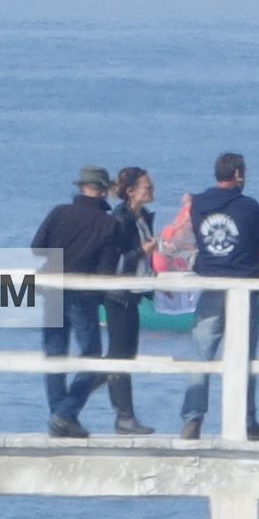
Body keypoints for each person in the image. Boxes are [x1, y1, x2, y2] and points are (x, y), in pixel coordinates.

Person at [180, 152, 259, 441]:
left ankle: (192, 419)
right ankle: (246, 421)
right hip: (244, 289)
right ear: (237, 174)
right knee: (245, 358)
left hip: (210, 284)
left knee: (202, 357)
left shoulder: (197, 205)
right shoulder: (249, 206)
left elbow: (197, 237)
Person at [32, 165, 122, 438]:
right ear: (104, 190)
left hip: (51, 289)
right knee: (92, 355)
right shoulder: (109, 224)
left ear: (81, 187)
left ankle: (59, 415)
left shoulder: (60, 213)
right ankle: (65, 413)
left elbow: (37, 247)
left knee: (54, 355)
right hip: (83, 294)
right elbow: (106, 272)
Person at [101, 166, 159, 434]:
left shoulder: (143, 217)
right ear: (131, 191)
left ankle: (83, 392)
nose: (152, 191)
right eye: (147, 187)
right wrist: (142, 252)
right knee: (119, 356)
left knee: (126, 355)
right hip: (118, 296)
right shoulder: (120, 219)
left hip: (133, 294)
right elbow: (114, 260)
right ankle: (124, 417)